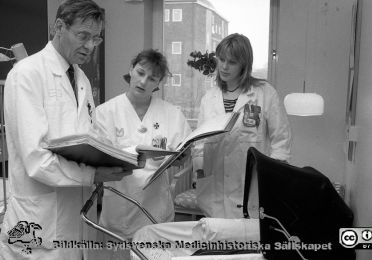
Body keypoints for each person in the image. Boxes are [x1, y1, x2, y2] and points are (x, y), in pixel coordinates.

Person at [0, 1, 131, 259]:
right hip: (41, 223)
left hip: (77, 218)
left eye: (96, 38)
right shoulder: (27, 74)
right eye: (83, 36)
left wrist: (118, 155)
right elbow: (36, 160)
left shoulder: (80, 78)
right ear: (59, 27)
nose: (90, 46)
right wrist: (93, 175)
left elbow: (86, 135)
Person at [95, 49, 191, 254]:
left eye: (152, 78)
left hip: (156, 210)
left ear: (159, 83)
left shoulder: (172, 114)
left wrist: (179, 158)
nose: (143, 81)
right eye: (140, 73)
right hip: (119, 209)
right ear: (131, 70)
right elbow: (99, 158)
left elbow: (183, 152)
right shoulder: (105, 112)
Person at [193, 33, 292, 218]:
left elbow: (281, 138)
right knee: (217, 241)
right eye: (221, 59)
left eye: (232, 62)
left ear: (244, 65)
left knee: (247, 242)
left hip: (252, 185)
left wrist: (274, 175)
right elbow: (199, 142)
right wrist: (199, 169)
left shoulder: (264, 93)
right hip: (215, 188)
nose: (224, 66)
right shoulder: (209, 98)